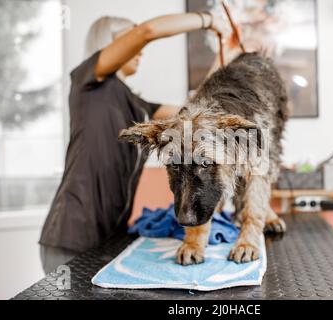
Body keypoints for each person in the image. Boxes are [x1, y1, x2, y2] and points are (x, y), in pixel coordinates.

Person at [39, 12, 230, 274]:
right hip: (71, 237)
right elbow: (147, 32)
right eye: (130, 40)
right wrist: (209, 20)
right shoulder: (86, 82)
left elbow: (199, 108)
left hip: (112, 236)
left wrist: (225, 48)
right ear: (110, 44)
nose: (141, 51)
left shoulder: (138, 106)